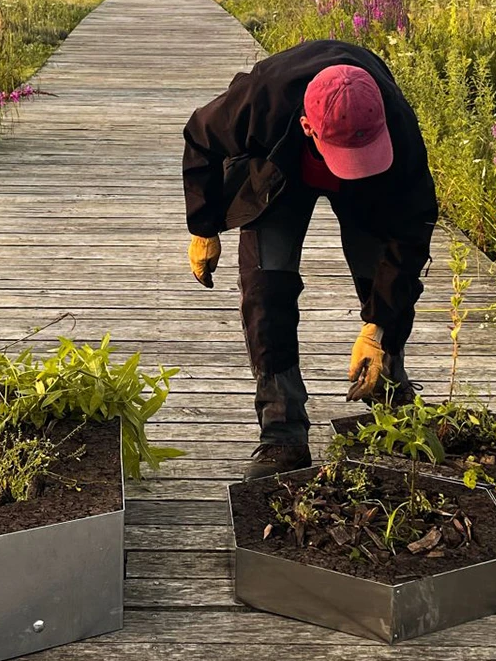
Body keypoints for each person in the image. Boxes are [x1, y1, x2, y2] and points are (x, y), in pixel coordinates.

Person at [181, 39, 438, 479]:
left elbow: (410, 235)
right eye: (345, 158)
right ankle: (282, 432)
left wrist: (378, 327)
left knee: (383, 278)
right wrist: (203, 226)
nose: (350, 165)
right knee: (266, 288)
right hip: (282, 172)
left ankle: (389, 395)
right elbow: (201, 138)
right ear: (306, 125)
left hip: (372, 190)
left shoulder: (396, 124)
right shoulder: (262, 98)